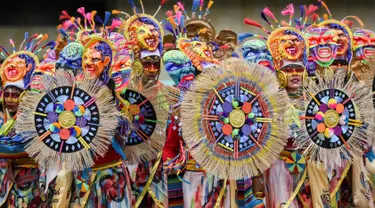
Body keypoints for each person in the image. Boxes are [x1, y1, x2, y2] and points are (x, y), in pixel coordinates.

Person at [0, 33, 54, 207]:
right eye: (6, 94)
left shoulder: (33, 119)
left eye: (15, 95)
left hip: (29, 186)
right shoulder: (6, 122)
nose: (10, 99)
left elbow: (21, 147)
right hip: (11, 183)